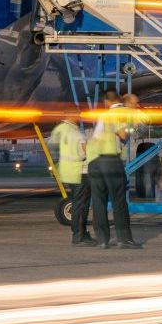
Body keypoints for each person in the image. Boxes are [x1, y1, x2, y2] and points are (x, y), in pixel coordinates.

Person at [86, 98, 142, 249]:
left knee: (99, 203)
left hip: (94, 162)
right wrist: (132, 125)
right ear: (127, 103)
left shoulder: (104, 115)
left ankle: (102, 240)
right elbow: (123, 135)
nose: (137, 105)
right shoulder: (122, 113)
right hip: (109, 160)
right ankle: (124, 239)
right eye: (135, 102)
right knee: (119, 201)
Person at [49, 114, 94, 246]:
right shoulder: (75, 133)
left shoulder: (59, 129)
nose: (79, 116)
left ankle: (80, 234)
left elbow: (52, 145)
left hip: (67, 171)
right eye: (77, 114)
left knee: (77, 203)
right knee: (81, 205)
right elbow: (86, 151)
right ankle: (79, 236)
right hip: (79, 171)